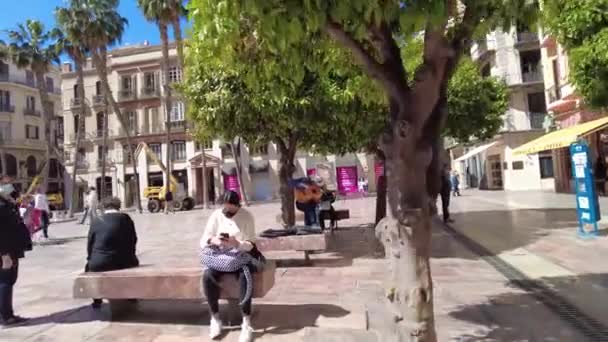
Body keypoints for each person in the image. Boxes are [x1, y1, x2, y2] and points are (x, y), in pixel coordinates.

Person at [200, 191, 256, 342]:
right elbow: (204, 238)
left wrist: (237, 243)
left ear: (237, 206)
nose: (227, 211)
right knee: (207, 275)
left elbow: (251, 244)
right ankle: (215, 318)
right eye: (224, 207)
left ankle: (246, 321)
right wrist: (214, 240)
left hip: (240, 255)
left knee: (246, 275)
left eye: (230, 208)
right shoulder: (216, 215)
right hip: (220, 257)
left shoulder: (247, 216)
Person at [85, 197, 139, 309]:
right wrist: (131, 253)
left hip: (99, 262)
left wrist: (90, 258)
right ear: (118, 206)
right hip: (123, 261)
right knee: (132, 264)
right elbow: (133, 239)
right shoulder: (126, 218)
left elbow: (90, 242)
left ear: (104, 207)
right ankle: (131, 295)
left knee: (88, 267)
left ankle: (97, 300)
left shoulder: (96, 220)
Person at [0, 176, 32, 327]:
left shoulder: (5, 202)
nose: (10, 186)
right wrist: (4, 254)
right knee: (6, 281)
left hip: (11, 247)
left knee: (9, 281)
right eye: (5, 183)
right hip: (5, 250)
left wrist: (19, 203)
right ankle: (5, 317)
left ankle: (7, 314)